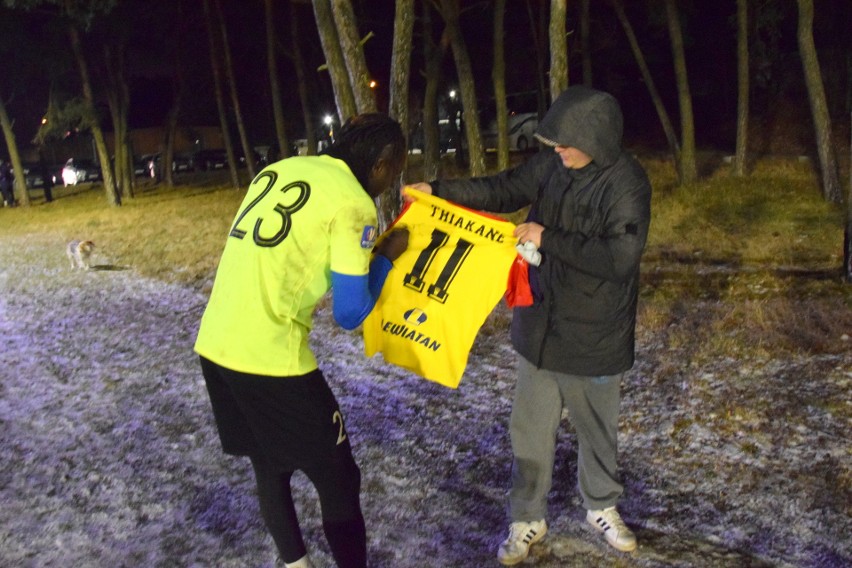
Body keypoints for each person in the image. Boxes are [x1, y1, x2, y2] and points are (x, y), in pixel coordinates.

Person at [406, 86, 652, 564]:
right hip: (538, 325)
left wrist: (547, 238)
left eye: (565, 141)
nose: (556, 149)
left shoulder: (628, 184)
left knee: (597, 430)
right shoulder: (552, 166)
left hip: (595, 332)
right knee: (530, 431)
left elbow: (620, 258)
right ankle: (527, 517)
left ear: (596, 140)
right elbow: (503, 188)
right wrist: (439, 191)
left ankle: (601, 506)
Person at [194, 113, 410, 568]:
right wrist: (386, 258)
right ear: (381, 164)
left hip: (215, 342)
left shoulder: (282, 168)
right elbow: (349, 313)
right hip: (272, 359)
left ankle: (295, 564)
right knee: (339, 478)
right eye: (396, 170)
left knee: (269, 466)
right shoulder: (354, 203)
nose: (392, 182)